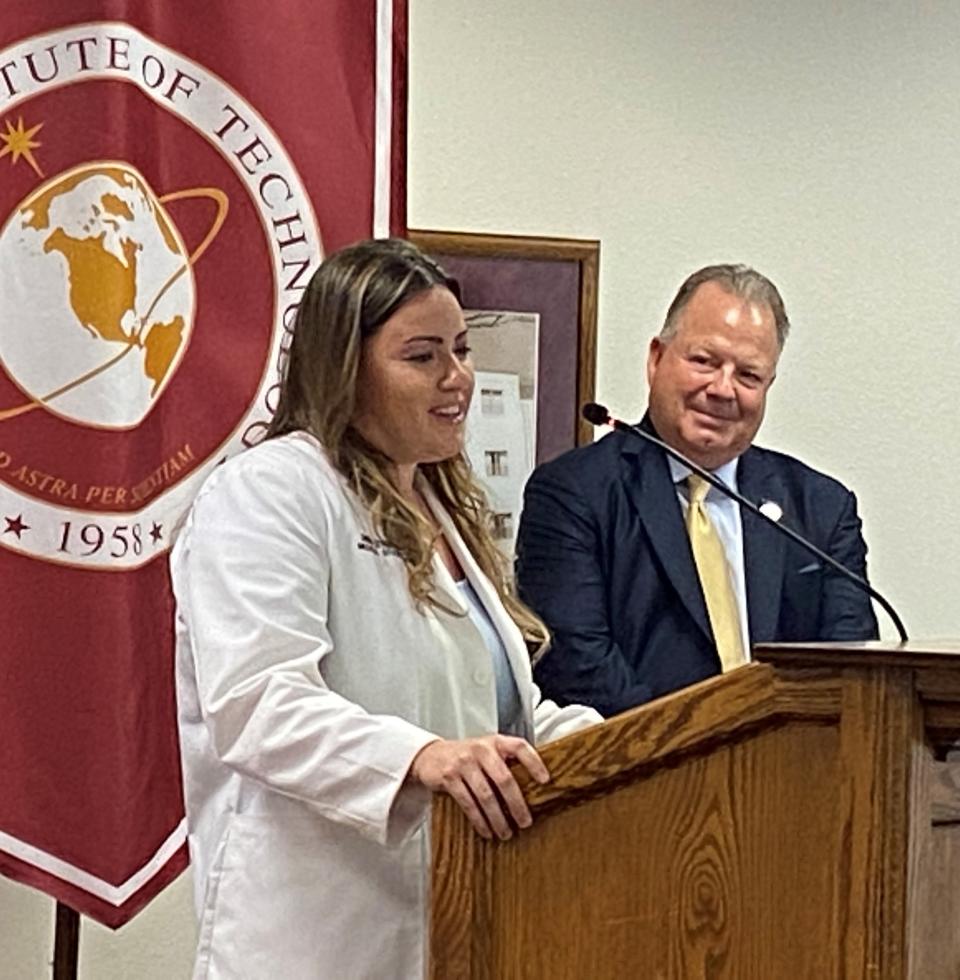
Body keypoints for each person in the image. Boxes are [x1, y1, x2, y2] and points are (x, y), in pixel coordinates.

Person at [170, 239, 601, 979]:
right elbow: (259, 702)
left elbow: (491, 714)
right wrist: (420, 757)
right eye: (423, 356)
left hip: (457, 920)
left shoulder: (441, 506)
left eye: (462, 350)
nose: (458, 378)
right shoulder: (270, 493)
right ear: (346, 368)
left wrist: (620, 741)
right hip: (318, 938)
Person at [515, 264, 879, 718]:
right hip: (643, 776)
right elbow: (579, 671)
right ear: (656, 359)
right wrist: (712, 758)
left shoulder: (821, 509)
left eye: (748, 375)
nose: (723, 389)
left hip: (792, 776)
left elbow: (851, 676)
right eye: (704, 361)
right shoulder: (573, 495)